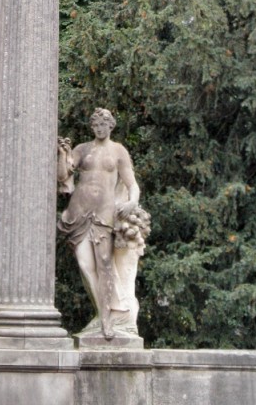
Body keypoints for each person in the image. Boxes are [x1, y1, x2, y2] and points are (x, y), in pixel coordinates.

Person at [57, 108, 150, 340]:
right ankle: (102, 312)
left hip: (105, 212)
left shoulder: (118, 151)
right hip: (79, 209)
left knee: (105, 263)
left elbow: (132, 185)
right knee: (85, 264)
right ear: (92, 127)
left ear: (111, 126)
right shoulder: (81, 149)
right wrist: (62, 154)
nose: (99, 128)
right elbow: (62, 176)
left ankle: (108, 319)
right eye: (96, 125)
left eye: (103, 124)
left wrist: (132, 202)